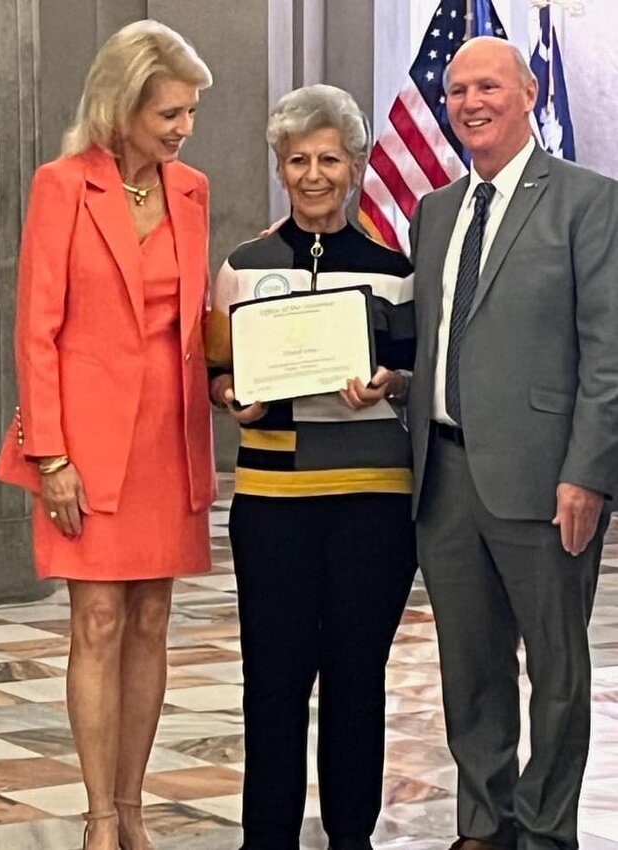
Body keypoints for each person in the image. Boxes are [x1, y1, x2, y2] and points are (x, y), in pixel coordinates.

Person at [0, 20, 215, 850]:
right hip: (83, 446)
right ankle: (94, 815)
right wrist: (50, 453)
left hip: (170, 437)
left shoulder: (190, 188)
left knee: (153, 620)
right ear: (121, 107)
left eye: (189, 113)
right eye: (168, 112)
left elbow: (194, 323)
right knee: (96, 622)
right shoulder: (62, 185)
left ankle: (132, 808)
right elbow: (35, 331)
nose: (182, 128)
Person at [406, 36, 618, 850]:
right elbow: (430, 340)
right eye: (458, 91)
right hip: (446, 478)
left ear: (528, 92)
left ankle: (544, 830)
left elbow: (607, 352)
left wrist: (588, 473)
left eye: (487, 86)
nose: (470, 102)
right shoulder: (434, 211)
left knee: (558, 677)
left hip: (547, 481)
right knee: (470, 670)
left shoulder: (587, 200)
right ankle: (482, 824)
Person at [205, 84, 417, 850]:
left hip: (372, 502)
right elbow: (215, 375)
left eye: (330, 157)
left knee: (357, 680)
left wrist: (389, 383)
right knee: (274, 681)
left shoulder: (396, 268)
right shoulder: (243, 265)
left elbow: (413, 375)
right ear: (280, 166)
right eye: (298, 160)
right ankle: (266, 839)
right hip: (273, 503)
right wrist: (235, 397)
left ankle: (352, 839)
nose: (314, 174)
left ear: (357, 164)